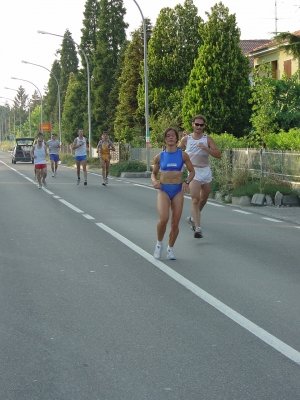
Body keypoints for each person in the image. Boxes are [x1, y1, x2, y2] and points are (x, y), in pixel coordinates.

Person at [151, 127, 195, 260]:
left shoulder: (182, 155)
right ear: (165, 139)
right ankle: (159, 244)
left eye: (173, 136)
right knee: (163, 219)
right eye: (168, 136)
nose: (170, 138)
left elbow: (192, 172)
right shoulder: (159, 157)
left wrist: (186, 182)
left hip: (177, 190)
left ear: (177, 139)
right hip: (164, 190)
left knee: (175, 223)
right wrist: (154, 181)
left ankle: (170, 248)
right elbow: (153, 174)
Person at [178, 114, 221, 238]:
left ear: (204, 126)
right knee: (195, 199)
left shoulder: (208, 139)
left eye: (201, 125)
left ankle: (192, 218)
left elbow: (218, 154)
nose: (199, 127)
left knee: (203, 200)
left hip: (206, 171)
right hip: (193, 172)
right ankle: (198, 228)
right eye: (197, 124)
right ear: (192, 124)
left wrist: (206, 148)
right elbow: (176, 150)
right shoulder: (187, 139)